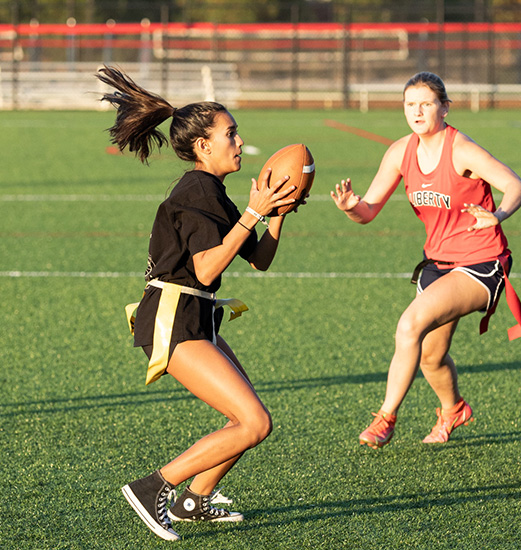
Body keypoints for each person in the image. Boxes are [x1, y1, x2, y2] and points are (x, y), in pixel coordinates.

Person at [98, 66, 301, 541]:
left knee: (244, 417)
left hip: (194, 315)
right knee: (254, 422)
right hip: (173, 316)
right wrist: (253, 213)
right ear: (203, 146)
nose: (239, 141)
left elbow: (259, 262)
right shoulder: (195, 190)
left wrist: (276, 218)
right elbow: (207, 268)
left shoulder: (215, 191)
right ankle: (156, 488)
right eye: (230, 133)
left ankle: (195, 499)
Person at [331, 72, 521, 449]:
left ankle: (385, 418)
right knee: (431, 358)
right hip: (438, 264)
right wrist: (351, 208)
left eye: (426, 103)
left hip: (481, 262)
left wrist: (499, 215)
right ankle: (453, 408)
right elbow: (368, 210)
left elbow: (516, 185)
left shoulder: (461, 149)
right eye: (410, 104)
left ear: (445, 107)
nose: (417, 111)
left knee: (409, 326)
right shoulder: (400, 151)